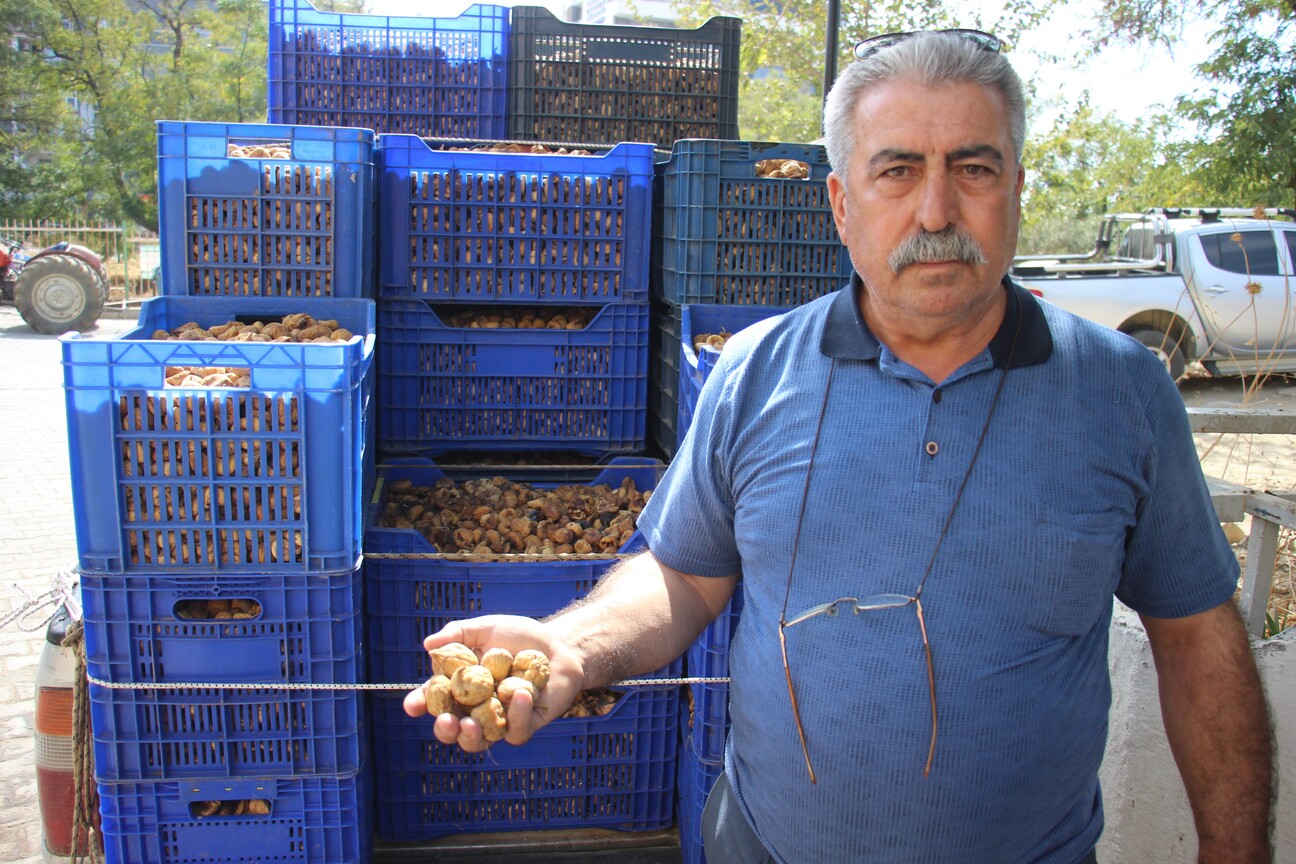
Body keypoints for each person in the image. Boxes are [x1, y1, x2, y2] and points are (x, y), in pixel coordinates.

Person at [404, 29, 1274, 864]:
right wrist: (570, 648)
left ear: (1016, 187)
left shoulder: (1122, 391)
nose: (937, 209)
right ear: (841, 202)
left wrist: (1236, 850)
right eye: (897, 170)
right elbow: (681, 575)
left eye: (973, 168)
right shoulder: (754, 374)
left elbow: (1196, 632)